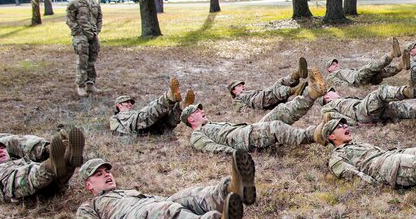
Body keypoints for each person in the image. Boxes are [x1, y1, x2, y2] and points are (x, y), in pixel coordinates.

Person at [74, 151, 252, 219]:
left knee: (187, 196)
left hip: (153, 206)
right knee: (168, 213)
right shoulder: (89, 206)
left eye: (107, 171)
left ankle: (231, 189)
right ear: (89, 185)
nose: (106, 175)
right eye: (99, 174)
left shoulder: (125, 192)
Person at [0, 127, 85, 202]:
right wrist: (3, 197)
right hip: (22, 187)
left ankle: (69, 157)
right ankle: (55, 163)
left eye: (2, 148)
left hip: (48, 186)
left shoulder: (20, 160)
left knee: (49, 172)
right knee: (29, 172)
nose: (0, 151)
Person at [182, 101, 318, 154]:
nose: (202, 111)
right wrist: (235, 153)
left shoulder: (211, 124)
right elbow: (210, 147)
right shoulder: (197, 134)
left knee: (280, 111)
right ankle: (315, 134)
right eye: (197, 111)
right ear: (191, 119)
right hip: (244, 139)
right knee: (275, 127)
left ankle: (311, 95)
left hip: (249, 131)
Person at [321, 72, 416, 124]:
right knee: (380, 93)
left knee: (396, 108)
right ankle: (406, 91)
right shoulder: (329, 105)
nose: (335, 92)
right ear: (326, 97)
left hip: (370, 114)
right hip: (360, 112)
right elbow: (332, 116)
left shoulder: (341, 101)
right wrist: (352, 122)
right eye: (332, 92)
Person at [110, 77, 195, 137]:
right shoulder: (117, 116)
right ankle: (169, 98)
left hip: (153, 130)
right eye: (127, 102)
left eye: (131, 103)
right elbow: (116, 130)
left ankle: (181, 107)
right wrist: (131, 134)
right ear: (119, 105)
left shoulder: (134, 113)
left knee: (166, 119)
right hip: (136, 128)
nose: (130, 104)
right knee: (147, 112)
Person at [228, 57, 313, 110]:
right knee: (272, 91)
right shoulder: (236, 100)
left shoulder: (248, 92)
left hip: (263, 99)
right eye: (239, 86)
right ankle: (295, 90)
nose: (243, 87)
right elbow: (245, 111)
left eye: (243, 85)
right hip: (258, 102)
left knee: (279, 83)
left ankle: (297, 74)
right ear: (234, 91)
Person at [66, 0, 103, 97]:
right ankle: (80, 86)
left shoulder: (94, 2)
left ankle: (90, 84)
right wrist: (78, 31)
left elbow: (99, 17)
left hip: (93, 35)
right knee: (82, 62)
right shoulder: (75, 2)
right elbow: (70, 20)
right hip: (81, 36)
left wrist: (97, 30)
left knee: (91, 61)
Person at [326, 38, 404, 88]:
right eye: (333, 64)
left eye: (336, 63)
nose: (336, 64)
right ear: (328, 69)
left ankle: (400, 66)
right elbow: (339, 84)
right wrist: (353, 86)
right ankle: (392, 54)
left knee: (381, 72)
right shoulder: (331, 75)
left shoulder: (344, 70)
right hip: (357, 79)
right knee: (371, 67)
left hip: (366, 80)